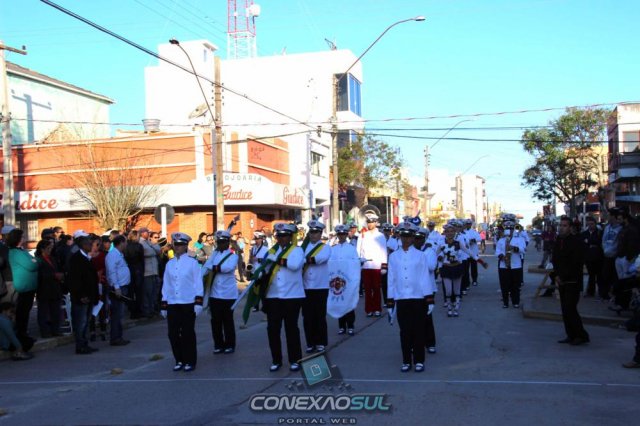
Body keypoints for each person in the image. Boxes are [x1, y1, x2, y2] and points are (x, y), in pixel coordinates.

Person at [387, 222, 431, 372]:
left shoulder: (420, 255)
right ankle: (406, 360)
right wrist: (390, 302)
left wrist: (429, 299)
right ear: (400, 236)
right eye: (403, 236)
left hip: (418, 297)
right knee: (404, 331)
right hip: (401, 298)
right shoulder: (393, 256)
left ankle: (419, 360)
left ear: (413, 237)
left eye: (409, 236)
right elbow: (391, 280)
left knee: (418, 330)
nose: (406, 239)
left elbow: (424, 277)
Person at [262, 223, 305, 372]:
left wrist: (276, 259)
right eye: (279, 236)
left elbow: (294, 265)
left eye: (284, 236)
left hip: (292, 296)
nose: (281, 239)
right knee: (273, 329)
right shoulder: (272, 251)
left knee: (291, 328)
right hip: (273, 295)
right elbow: (265, 270)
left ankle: (295, 359)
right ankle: (276, 360)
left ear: (291, 237)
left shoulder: (297, 251)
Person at [161, 232, 204, 372]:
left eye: (180, 244)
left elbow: (198, 283)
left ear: (186, 246)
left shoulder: (192, 263)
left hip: (188, 302)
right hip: (173, 303)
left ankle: (190, 360)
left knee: (187, 333)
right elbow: (166, 285)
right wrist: (164, 304)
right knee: (172, 333)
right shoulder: (169, 264)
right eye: (176, 244)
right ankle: (179, 359)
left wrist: (198, 302)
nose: (177, 247)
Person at [553, 215, 589, 346]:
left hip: (572, 280)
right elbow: (555, 259)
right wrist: (556, 275)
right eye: (560, 225)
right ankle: (571, 334)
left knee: (570, 308)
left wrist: (564, 276)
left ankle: (581, 335)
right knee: (564, 309)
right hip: (561, 280)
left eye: (564, 226)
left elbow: (576, 263)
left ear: (570, 228)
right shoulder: (558, 241)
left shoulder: (576, 242)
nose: (561, 228)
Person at [202, 230, 239, 355]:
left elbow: (227, 268)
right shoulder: (214, 255)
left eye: (223, 242)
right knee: (215, 321)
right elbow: (206, 267)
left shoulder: (233, 256)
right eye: (219, 242)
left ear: (228, 243)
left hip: (228, 294)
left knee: (227, 321)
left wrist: (212, 267)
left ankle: (230, 344)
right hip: (214, 293)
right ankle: (218, 344)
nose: (220, 244)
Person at [301, 220, 331, 354]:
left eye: (316, 232)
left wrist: (303, 260)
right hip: (306, 286)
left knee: (319, 316)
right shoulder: (303, 248)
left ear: (320, 233)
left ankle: (321, 342)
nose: (313, 235)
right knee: (307, 316)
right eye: (311, 232)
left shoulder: (325, 248)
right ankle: (310, 342)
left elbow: (319, 259)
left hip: (320, 286)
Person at [67, 233, 100, 354]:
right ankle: (80, 345)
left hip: (89, 294)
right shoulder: (76, 259)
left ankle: (85, 343)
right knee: (81, 321)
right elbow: (75, 279)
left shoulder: (87, 258)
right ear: (84, 245)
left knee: (86, 321)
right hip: (81, 296)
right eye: (89, 244)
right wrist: (81, 295)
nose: (91, 246)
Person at [6, 228, 38, 351]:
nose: (25, 238)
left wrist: (34, 261)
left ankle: (24, 335)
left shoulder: (22, 251)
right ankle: (21, 337)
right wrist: (34, 261)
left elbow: (35, 261)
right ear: (18, 239)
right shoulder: (15, 252)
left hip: (29, 287)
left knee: (25, 314)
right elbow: (32, 265)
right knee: (21, 314)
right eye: (23, 236)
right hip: (23, 287)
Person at [330, 225, 359, 336]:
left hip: (348, 280)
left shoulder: (351, 249)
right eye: (339, 234)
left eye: (343, 234)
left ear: (346, 235)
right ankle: (341, 326)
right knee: (339, 302)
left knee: (349, 302)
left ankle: (350, 325)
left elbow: (355, 264)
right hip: (337, 280)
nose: (341, 236)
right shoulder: (333, 249)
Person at [357, 213, 387, 317]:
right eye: (368, 222)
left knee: (376, 288)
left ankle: (377, 308)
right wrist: (359, 261)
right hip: (366, 266)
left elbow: (384, 251)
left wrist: (384, 265)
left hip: (376, 265)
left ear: (376, 223)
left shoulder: (380, 236)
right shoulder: (363, 235)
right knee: (368, 289)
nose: (370, 224)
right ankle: (369, 309)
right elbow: (359, 250)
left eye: (372, 222)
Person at [413, 227, 438, 354]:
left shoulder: (429, 251)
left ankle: (430, 342)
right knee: (414, 318)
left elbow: (432, 267)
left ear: (424, 239)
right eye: (416, 238)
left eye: (420, 238)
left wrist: (418, 258)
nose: (418, 240)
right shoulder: (410, 251)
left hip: (428, 288)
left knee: (427, 316)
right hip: (414, 289)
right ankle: (417, 342)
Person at [106, 235, 131, 346]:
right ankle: (115, 337)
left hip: (123, 286)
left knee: (120, 313)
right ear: (121, 242)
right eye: (125, 242)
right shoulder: (112, 255)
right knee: (117, 314)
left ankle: (118, 336)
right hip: (118, 288)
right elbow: (112, 272)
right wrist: (116, 287)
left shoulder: (119, 254)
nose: (127, 244)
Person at [35, 239, 64, 338]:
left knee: (55, 311)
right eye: (48, 248)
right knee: (44, 312)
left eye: (51, 248)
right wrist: (53, 275)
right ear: (42, 249)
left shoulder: (53, 259)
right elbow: (39, 275)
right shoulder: (38, 260)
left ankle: (55, 330)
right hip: (44, 289)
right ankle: (45, 331)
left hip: (55, 288)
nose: (50, 250)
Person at [496, 220, 527, 308]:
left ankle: (515, 301)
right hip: (503, 265)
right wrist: (501, 256)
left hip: (515, 265)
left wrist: (515, 248)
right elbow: (497, 251)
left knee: (515, 285)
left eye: (511, 229)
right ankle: (505, 302)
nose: (509, 230)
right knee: (504, 285)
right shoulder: (501, 240)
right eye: (507, 228)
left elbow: (523, 249)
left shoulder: (520, 239)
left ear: (514, 229)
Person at [438, 222, 466, 317]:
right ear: (445, 233)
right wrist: (439, 258)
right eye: (448, 231)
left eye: (452, 231)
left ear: (454, 232)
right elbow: (434, 254)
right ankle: (449, 308)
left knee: (457, 291)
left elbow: (468, 252)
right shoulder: (442, 243)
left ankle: (456, 308)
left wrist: (480, 261)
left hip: (457, 267)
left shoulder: (458, 243)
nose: (450, 233)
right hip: (446, 268)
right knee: (449, 290)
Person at [89, 235, 110, 342]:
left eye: (99, 243)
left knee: (102, 307)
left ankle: (103, 329)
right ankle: (92, 330)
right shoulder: (88, 256)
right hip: (91, 284)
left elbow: (107, 268)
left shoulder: (103, 255)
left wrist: (102, 274)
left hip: (102, 282)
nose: (98, 246)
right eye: (96, 243)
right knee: (92, 308)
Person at [139, 227, 161, 318]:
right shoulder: (140, 242)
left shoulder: (149, 242)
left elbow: (159, 250)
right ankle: (147, 310)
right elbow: (146, 252)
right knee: (147, 292)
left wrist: (154, 249)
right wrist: (154, 251)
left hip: (154, 270)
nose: (148, 233)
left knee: (153, 292)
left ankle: (152, 309)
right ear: (142, 233)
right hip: (147, 271)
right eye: (147, 232)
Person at [601, 208, 623, 301]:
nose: (607, 217)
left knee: (615, 276)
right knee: (605, 275)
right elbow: (603, 240)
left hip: (616, 256)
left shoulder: (620, 228)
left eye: (609, 215)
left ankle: (615, 294)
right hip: (607, 255)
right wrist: (605, 249)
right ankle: (605, 293)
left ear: (613, 216)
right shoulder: (607, 228)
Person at [581, 216, 604, 297]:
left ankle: (601, 291)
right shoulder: (584, 233)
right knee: (591, 275)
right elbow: (583, 244)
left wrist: (589, 241)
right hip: (589, 257)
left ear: (595, 224)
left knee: (599, 275)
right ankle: (591, 291)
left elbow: (599, 242)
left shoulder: (599, 232)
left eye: (592, 224)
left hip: (598, 257)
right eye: (589, 224)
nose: (590, 226)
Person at [249, 232, 269, 312]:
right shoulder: (253, 248)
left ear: (261, 239)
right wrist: (248, 271)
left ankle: (265, 306)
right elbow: (250, 260)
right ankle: (256, 306)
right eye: (255, 239)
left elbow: (267, 261)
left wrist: (258, 259)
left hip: (262, 272)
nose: (256, 241)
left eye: (258, 239)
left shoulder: (266, 249)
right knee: (254, 290)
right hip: (254, 271)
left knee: (262, 290)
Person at [464, 219, 481, 286]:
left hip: (474, 252)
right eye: (467, 224)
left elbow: (479, 238)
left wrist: (474, 240)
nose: (468, 225)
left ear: (471, 225)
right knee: (466, 268)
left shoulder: (474, 232)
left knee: (474, 267)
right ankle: (467, 282)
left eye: (469, 224)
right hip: (466, 253)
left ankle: (474, 280)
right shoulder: (463, 232)